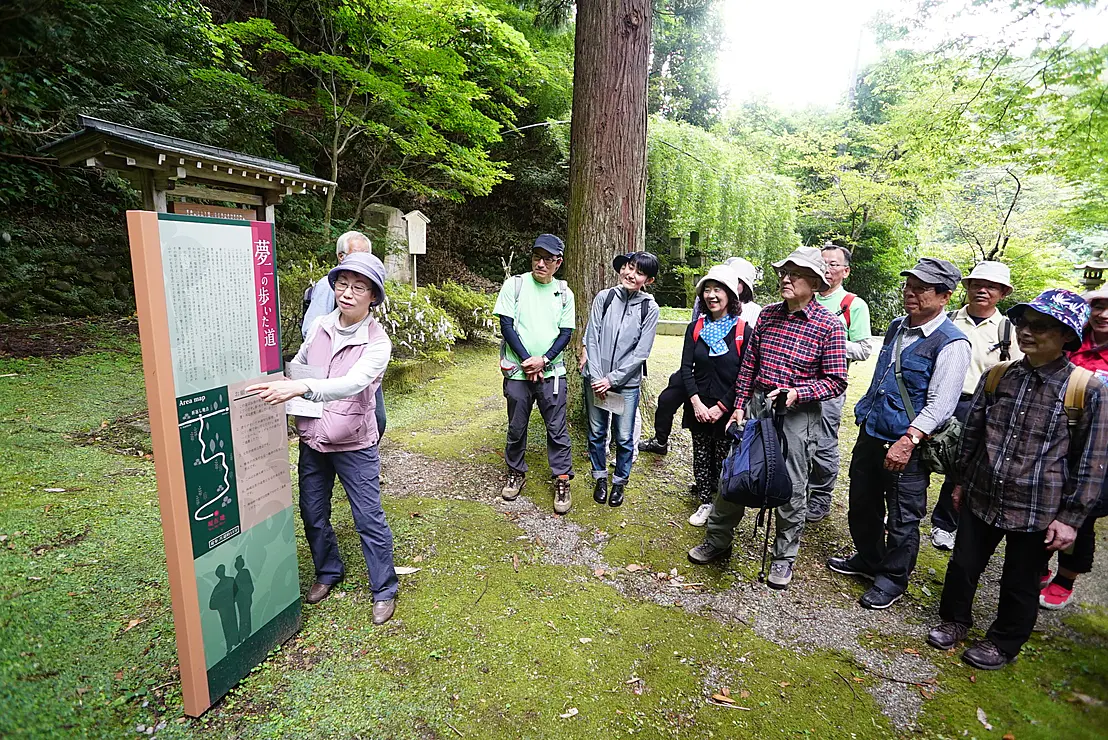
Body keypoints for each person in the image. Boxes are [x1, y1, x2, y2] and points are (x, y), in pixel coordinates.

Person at [927, 289, 1108, 670]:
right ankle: (955, 621)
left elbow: (1093, 461)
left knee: (1020, 580)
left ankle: (1004, 642)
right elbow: (972, 436)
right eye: (1024, 323)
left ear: (1066, 336)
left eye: (1040, 326)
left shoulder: (1087, 390)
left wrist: (1072, 518)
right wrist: (959, 482)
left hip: (1039, 507)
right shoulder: (998, 376)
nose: (1026, 332)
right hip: (982, 493)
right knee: (963, 565)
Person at [246, 252, 398, 625]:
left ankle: (384, 588)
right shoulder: (320, 327)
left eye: (358, 287)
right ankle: (328, 571)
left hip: (354, 443)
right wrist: (284, 380)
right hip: (313, 438)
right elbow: (300, 362)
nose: (347, 293)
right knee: (313, 512)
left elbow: (353, 383)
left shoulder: (377, 343)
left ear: (373, 297)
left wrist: (301, 387)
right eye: (342, 284)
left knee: (368, 517)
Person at [688, 246, 847, 591]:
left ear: (816, 283)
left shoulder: (829, 325)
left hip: (797, 413)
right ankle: (718, 540)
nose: (786, 279)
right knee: (736, 470)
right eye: (784, 273)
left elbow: (836, 380)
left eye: (796, 274)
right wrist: (740, 405)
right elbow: (749, 365)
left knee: (790, 484)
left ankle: (783, 558)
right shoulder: (768, 316)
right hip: (757, 405)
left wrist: (797, 393)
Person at [828, 258, 970, 610]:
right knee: (862, 502)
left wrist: (909, 440)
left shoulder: (952, 343)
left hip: (909, 443)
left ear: (945, 296)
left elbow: (941, 403)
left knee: (904, 515)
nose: (910, 293)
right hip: (873, 431)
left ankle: (892, 578)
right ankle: (869, 557)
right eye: (909, 286)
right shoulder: (896, 326)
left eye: (921, 289)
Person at [929, 261, 1022, 551]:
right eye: (977, 284)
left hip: (977, 405)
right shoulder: (947, 319)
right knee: (917, 456)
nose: (982, 290)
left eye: (991, 286)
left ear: (1003, 293)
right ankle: (904, 513)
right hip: (935, 399)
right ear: (966, 288)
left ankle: (945, 523)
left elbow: (1014, 373)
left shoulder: (1008, 331)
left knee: (962, 466)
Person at [638, 257, 761, 457]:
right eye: (709, 287)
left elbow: (748, 361)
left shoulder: (752, 312)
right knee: (668, 396)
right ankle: (661, 439)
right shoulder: (704, 303)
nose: (712, 293)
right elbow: (697, 330)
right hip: (701, 371)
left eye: (737, 281)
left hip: (729, 376)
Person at [494, 234, 576, 513]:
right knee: (516, 426)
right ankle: (515, 471)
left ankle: (562, 478)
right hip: (518, 371)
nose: (540, 264)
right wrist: (528, 359)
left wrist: (544, 360)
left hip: (552, 372)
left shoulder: (565, 292)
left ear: (558, 262)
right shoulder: (515, 285)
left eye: (548, 259)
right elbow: (507, 325)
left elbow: (566, 333)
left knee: (556, 428)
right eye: (536, 257)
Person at [1039, 287, 1108, 609]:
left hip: (1100, 449)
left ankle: (1066, 576)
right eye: (1099, 306)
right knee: (1041, 501)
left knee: (1081, 513)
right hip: (1056, 438)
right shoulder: (1070, 342)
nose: (1104, 314)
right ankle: (1037, 564)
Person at [584, 252, 660, 507]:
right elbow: (591, 338)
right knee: (596, 432)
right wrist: (597, 377)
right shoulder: (604, 298)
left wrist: (612, 379)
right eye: (629, 268)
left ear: (647, 280)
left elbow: (641, 352)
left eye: (639, 272)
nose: (631, 274)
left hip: (625, 385)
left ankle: (619, 482)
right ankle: (600, 477)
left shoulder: (649, 308)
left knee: (624, 436)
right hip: (595, 380)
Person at [679, 265, 753, 526]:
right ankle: (704, 499)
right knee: (700, 453)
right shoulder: (695, 327)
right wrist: (696, 403)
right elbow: (686, 368)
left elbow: (746, 374)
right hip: (698, 403)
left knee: (723, 456)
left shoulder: (743, 330)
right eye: (707, 290)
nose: (711, 295)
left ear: (731, 295)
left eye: (717, 289)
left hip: (727, 408)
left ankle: (722, 501)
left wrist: (722, 406)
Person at [807, 243, 873, 523]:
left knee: (823, 442)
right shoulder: (804, 296)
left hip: (830, 387)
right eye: (823, 263)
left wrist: (829, 343)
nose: (827, 268)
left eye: (834, 264)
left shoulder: (852, 305)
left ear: (846, 271)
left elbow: (864, 348)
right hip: (796, 383)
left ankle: (820, 496)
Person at [302, 231, 387, 441]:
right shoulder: (327, 287)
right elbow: (310, 330)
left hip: (360, 364)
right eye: (357, 254)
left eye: (368, 254)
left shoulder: (378, 339)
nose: (364, 260)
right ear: (341, 257)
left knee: (374, 419)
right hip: (329, 375)